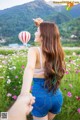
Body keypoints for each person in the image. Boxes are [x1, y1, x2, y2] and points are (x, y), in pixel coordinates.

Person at [20, 18, 66, 120]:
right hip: (57, 96)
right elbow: (52, 35)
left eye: (37, 31)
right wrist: (41, 26)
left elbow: (30, 68)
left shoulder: (34, 50)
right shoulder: (58, 52)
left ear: (43, 36)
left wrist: (23, 94)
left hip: (40, 98)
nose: (35, 33)